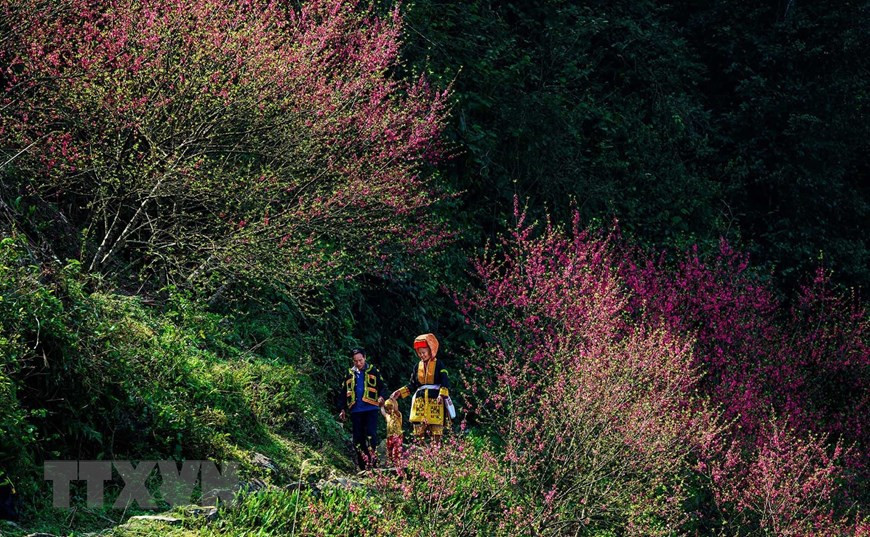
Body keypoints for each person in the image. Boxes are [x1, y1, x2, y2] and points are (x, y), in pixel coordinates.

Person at [390, 333, 451, 439]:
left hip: (435, 399)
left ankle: (435, 450)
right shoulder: (417, 366)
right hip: (420, 401)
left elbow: (444, 380)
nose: (422, 355)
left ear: (430, 350)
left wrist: (441, 395)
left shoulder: (439, 364)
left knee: (436, 427)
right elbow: (412, 385)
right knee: (418, 428)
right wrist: (399, 392)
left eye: (424, 352)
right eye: (419, 353)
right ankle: (422, 450)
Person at [337, 348, 388, 470]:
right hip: (356, 410)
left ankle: (374, 463)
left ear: (364, 358)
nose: (358, 363)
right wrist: (342, 409)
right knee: (358, 438)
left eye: (360, 360)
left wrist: (381, 397)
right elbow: (343, 392)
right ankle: (363, 465)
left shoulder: (373, 371)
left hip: (371, 408)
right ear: (352, 361)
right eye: (355, 361)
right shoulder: (349, 374)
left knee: (371, 434)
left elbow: (383, 387)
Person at [381, 398, 403, 465]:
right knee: (389, 449)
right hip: (389, 436)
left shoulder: (397, 414)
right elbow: (383, 412)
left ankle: (397, 463)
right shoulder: (387, 416)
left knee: (396, 450)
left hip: (398, 435)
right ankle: (390, 463)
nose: (389, 410)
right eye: (387, 409)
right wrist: (381, 406)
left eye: (390, 408)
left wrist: (394, 400)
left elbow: (396, 409)